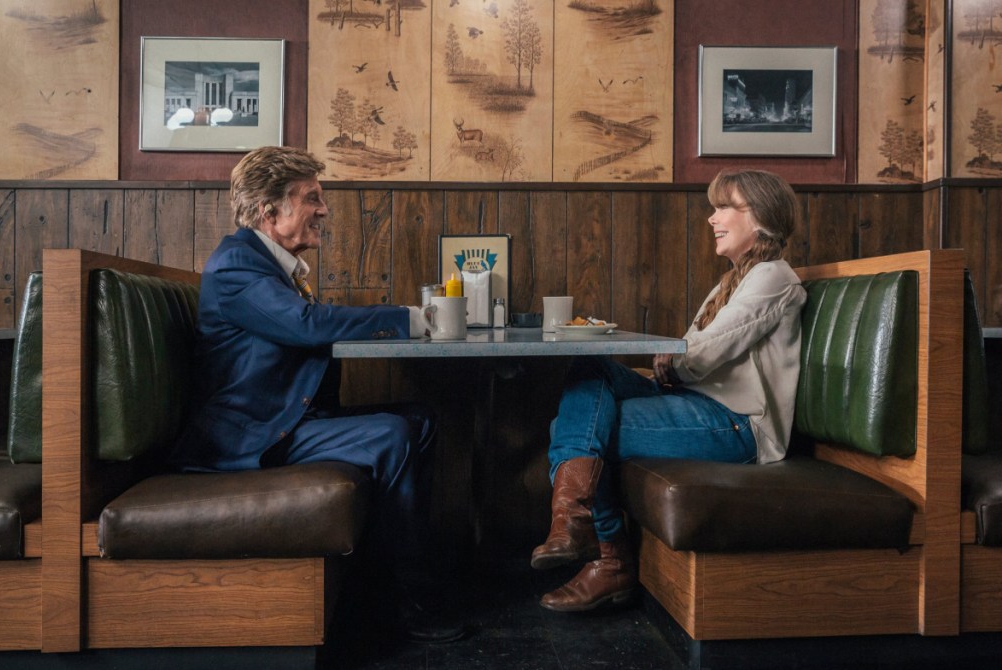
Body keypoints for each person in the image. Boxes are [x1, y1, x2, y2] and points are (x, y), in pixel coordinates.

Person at [172, 145, 463, 643]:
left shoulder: (267, 266)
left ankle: (390, 577)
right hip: (250, 435)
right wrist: (409, 319)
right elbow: (306, 326)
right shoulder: (235, 266)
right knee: (393, 434)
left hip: (285, 418)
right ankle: (400, 601)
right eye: (312, 199)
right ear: (270, 211)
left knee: (420, 418)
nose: (324, 211)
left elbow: (305, 328)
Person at [532, 168, 807, 612]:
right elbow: (691, 353)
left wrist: (673, 363)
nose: (711, 218)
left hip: (739, 426)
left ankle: (605, 555)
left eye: (724, 207)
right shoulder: (732, 280)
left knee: (578, 428)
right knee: (588, 369)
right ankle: (575, 518)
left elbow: (701, 353)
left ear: (759, 217)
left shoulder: (772, 276)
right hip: (698, 403)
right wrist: (672, 364)